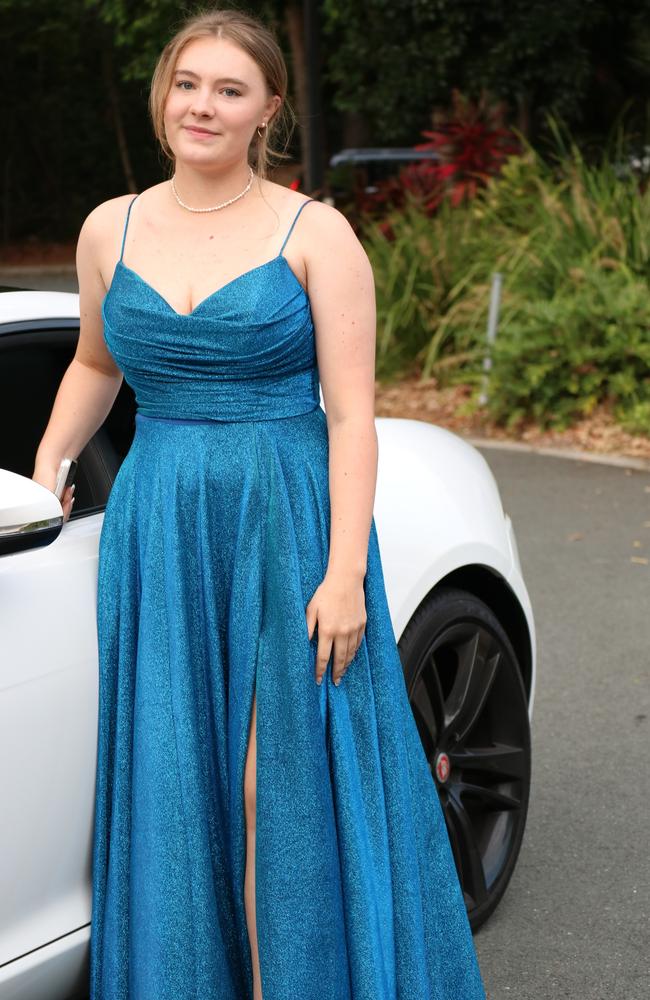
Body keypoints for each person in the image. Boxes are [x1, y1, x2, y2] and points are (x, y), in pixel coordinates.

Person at [32, 8, 487, 1000]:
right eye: (187, 82)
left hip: (284, 522)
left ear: (266, 109)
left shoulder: (314, 232)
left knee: (267, 787)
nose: (202, 105)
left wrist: (343, 573)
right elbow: (94, 362)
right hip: (157, 524)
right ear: (163, 93)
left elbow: (352, 417)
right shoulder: (108, 228)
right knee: (178, 783)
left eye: (228, 89)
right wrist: (47, 466)